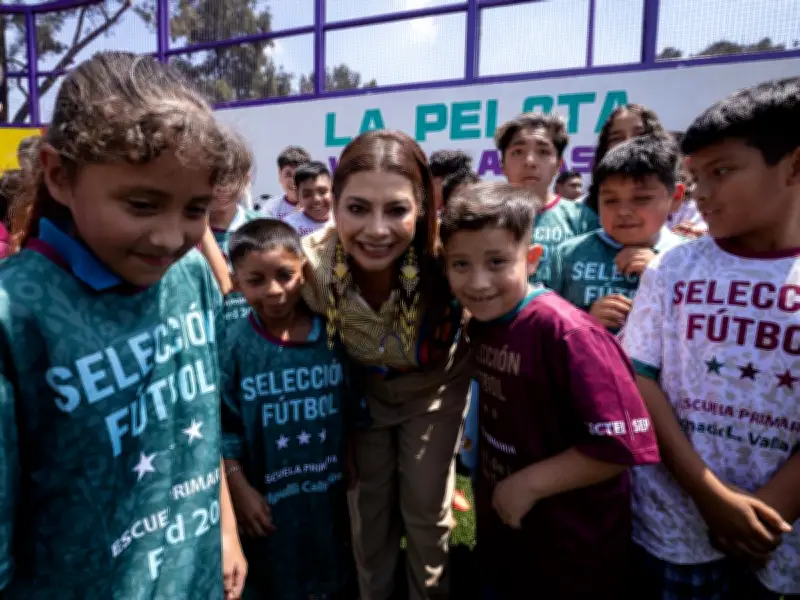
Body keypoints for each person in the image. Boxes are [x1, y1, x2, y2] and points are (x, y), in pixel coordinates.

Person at [0, 51, 247, 599]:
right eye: (141, 204)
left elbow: (200, 415)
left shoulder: (191, 276)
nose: (168, 237)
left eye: (194, 209)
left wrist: (225, 529)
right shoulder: (15, 316)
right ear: (60, 176)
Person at [623, 77, 800, 599]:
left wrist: (774, 507)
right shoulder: (674, 268)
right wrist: (709, 494)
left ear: (794, 165)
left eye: (721, 172)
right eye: (695, 176)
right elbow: (640, 376)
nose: (701, 192)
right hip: (676, 522)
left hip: (783, 537)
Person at [439, 181, 659, 599]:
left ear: (533, 259)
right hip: (510, 539)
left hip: (574, 550)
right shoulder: (483, 323)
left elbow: (625, 444)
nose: (479, 281)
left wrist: (527, 485)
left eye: (498, 261)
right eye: (460, 265)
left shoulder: (567, 333)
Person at [302, 130, 470, 600]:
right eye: (357, 208)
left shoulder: (448, 257)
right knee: (368, 510)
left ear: (422, 209)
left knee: (425, 508)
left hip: (434, 389)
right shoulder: (308, 267)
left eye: (397, 210)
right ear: (333, 206)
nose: (377, 230)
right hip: (361, 398)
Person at [220, 218, 369, 600]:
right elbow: (222, 426)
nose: (274, 291)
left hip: (331, 491)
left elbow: (354, 402)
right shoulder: (234, 346)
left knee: (338, 568)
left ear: (304, 271)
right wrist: (239, 489)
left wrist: (352, 454)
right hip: (268, 497)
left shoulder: (333, 335)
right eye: (256, 280)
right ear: (235, 282)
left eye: (285, 275)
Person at [546, 136, 684, 333]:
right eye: (611, 200)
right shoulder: (568, 254)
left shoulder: (687, 259)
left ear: (676, 198)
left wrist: (659, 273)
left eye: (641, 198)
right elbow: (545, 320)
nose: (623, 212)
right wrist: (584, 319)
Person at [495, 112, 599, 283]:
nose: (530, 161)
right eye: (517, 152)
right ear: (503, 166)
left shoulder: (583, 219)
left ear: (558, 165)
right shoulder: (486, 218)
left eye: (543, 152)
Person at [209, 135, 262, 326]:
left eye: (230, 177)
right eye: (214, 177)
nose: (222, 186)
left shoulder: (263, 227)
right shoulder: (188, 235)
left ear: (245, 179)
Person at [586, 103, 668, 212]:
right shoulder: (582, 212)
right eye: (617, 138)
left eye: (639, 135)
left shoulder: (680, 207)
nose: (628, 142)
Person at [259, 146, 311, 220]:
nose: (294, 181)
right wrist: (293, 218)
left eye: (299, 175)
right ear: (280, 176)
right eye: (288, 174)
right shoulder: (271, 208)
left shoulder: (318, 206)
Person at [284, 161, 334, 236]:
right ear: (298, 196)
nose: (316, 199)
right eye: (307, 194)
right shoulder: (288, 228)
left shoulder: (343, 222)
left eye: (322, 191)